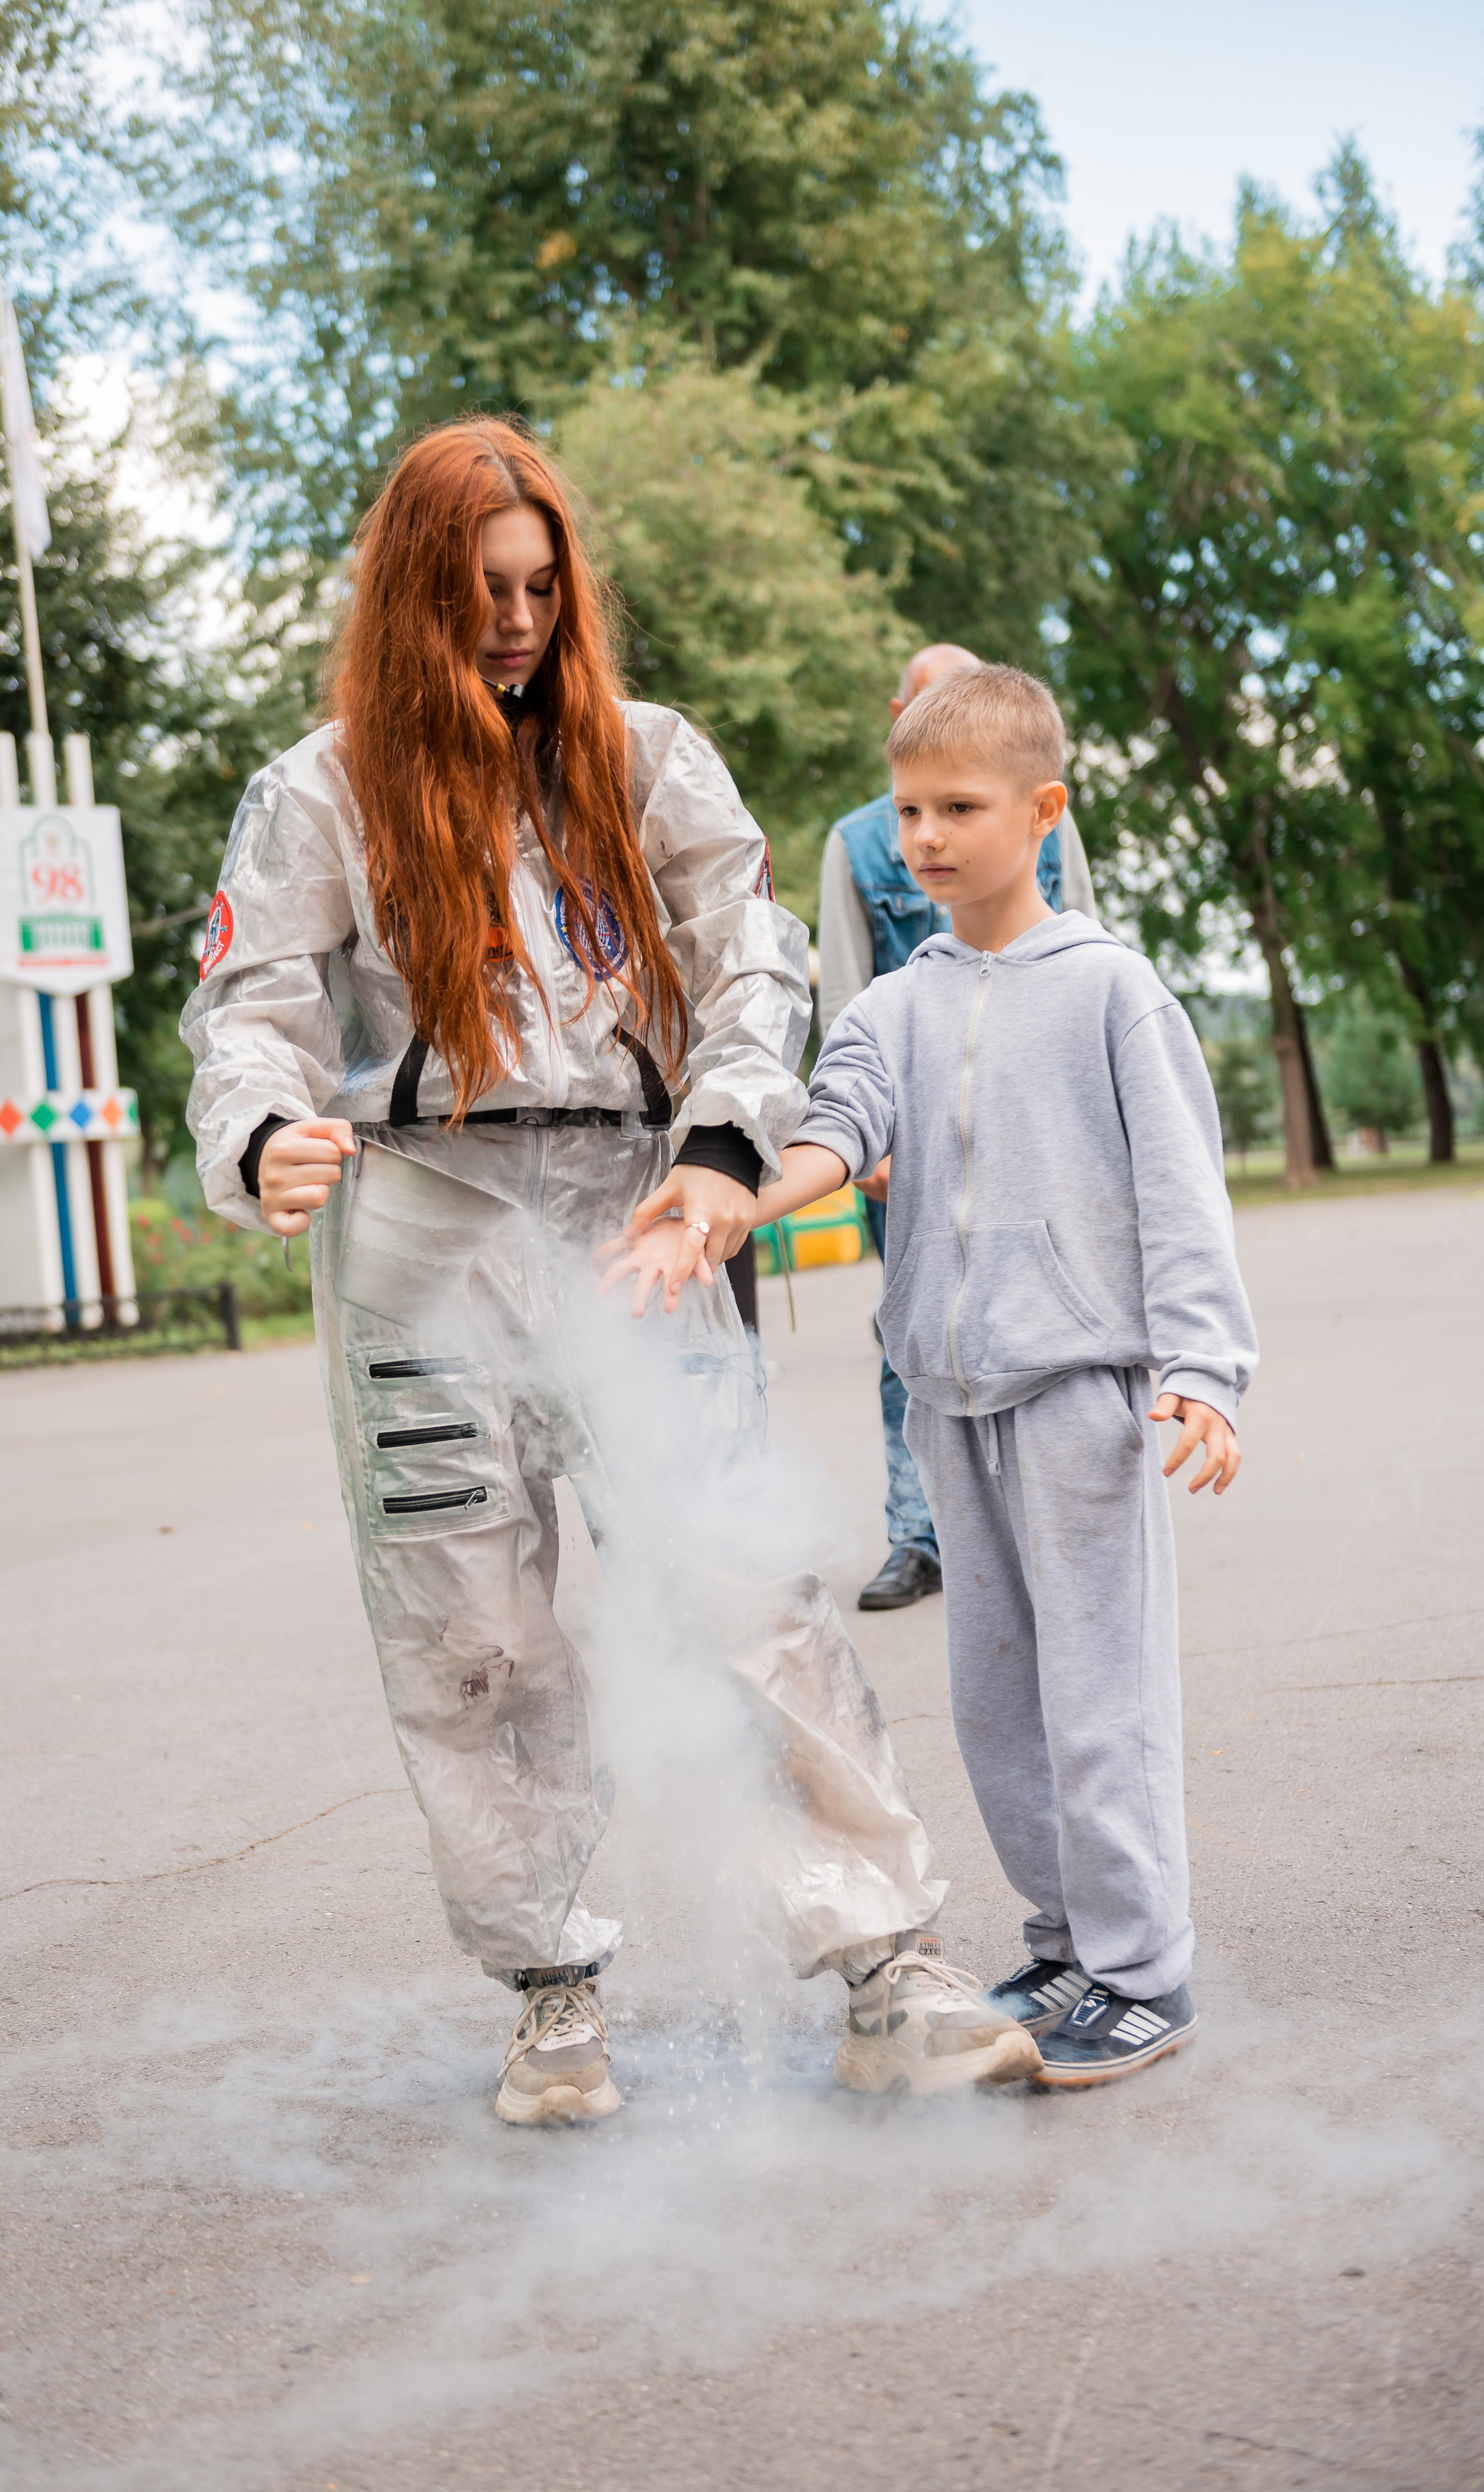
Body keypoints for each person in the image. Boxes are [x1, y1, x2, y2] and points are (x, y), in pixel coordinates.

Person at [182, 418, 1040, 2122]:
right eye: (482, 590)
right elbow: (248, 1008)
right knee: (467, 1625)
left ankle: (886, 1964)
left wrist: (725, 1149)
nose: (515, 620)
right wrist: (262, 1129)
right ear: (417, 594)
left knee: (748, 1586)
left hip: (639, 1211)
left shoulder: (649, 763)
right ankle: (551, 1985)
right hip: (421, 1228)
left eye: (538, 586)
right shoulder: (319, 790)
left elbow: (752, 963)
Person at [614, 663, 1256, 2086]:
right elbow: (833, 1134)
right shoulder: (897, 1003)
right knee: (994, 1703)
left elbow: (1179, 1192)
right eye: (906, 808)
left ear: (1041, 811)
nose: (923, 837)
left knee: (1100, 1700)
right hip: (950, 1404)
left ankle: (1143, 1970)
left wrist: (1204, 1368)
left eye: (958, 807)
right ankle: (1063, 1940)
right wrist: (724, 1199)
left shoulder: (1108, 989)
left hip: (1081, 1400)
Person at [817, 643, 1099, 1613]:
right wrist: (868, 1135)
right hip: (912, 1145)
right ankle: (919, 1531)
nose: (930, 831)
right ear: (897, 717)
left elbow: (1087, 944)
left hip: (1030, 1128)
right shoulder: (858, 843)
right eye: (913, 803)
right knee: (917, 1330)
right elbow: (849, 991)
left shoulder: (1040, 820)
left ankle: (1047, 1509)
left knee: (1047, 1312)